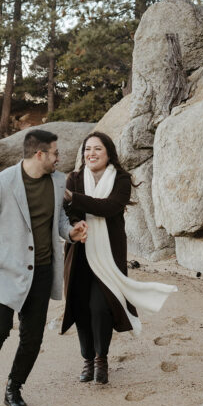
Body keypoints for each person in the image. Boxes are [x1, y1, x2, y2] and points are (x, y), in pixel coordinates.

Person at [0, 128, 87, 406]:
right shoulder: (2, 182)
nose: (59, 158)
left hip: (43, 271)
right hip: (6, 271)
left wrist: (70, 232)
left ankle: (14, 387)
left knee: (32, 337)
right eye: (55, 153)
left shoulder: (58, 182)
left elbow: (58, 219)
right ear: (40, 154)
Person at [61, 131, 177, 385]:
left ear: (108, 153)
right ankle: (87, 360)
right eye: (87, 149)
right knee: (81, 307)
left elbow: (110, 207)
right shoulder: (75, 178)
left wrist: (74, 198)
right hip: (80, 253)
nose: (91, 154)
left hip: (109, 254)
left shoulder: (121, 179)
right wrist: (75, 224)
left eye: (97, 149)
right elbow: (69, 212)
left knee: (100, 307)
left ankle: (102, 359)